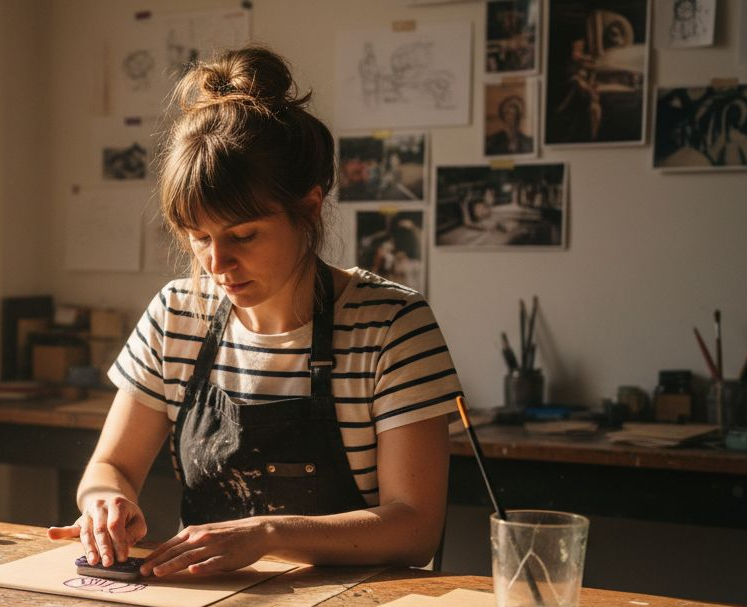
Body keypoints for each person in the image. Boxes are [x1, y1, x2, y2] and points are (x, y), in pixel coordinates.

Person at [48, 47, 463, 578]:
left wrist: (268, 534)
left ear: (309, 208)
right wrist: (106, 501)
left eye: (243, 235)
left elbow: (415, 528)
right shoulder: (178, 313)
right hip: (206, 604)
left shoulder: (391, 326)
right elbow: (112, 466)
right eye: (199, 238)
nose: (218, 263)